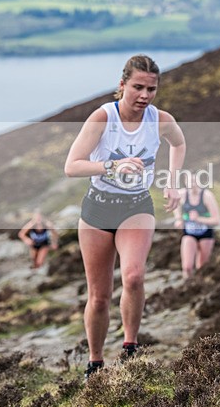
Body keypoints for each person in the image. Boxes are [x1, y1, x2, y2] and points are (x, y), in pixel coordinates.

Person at [64, 54, 186, 379]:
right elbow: (72, 165)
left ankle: (130, 346)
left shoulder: (159, 119)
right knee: (99, 296)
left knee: (133, 276)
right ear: (122, 85)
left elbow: (179, 142)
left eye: (151, 88)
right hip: (98, 208)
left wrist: (172, 182)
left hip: (136, 206)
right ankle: (95, 361)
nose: (145, 95)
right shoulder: (103, 118)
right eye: (138, 87)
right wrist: (111, 166)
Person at [173, 179, 220, 279]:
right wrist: (178, 218)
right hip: (189, 233)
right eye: (189, 181)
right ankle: (187, 285)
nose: (192, 184)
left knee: (202, 267)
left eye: (194, 181)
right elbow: (174, 203)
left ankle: (199, 286)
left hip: (206, 233)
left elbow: (217, 220)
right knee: (187, 267)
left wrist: (198, 219)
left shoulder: (207, 196)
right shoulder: (182, 194)